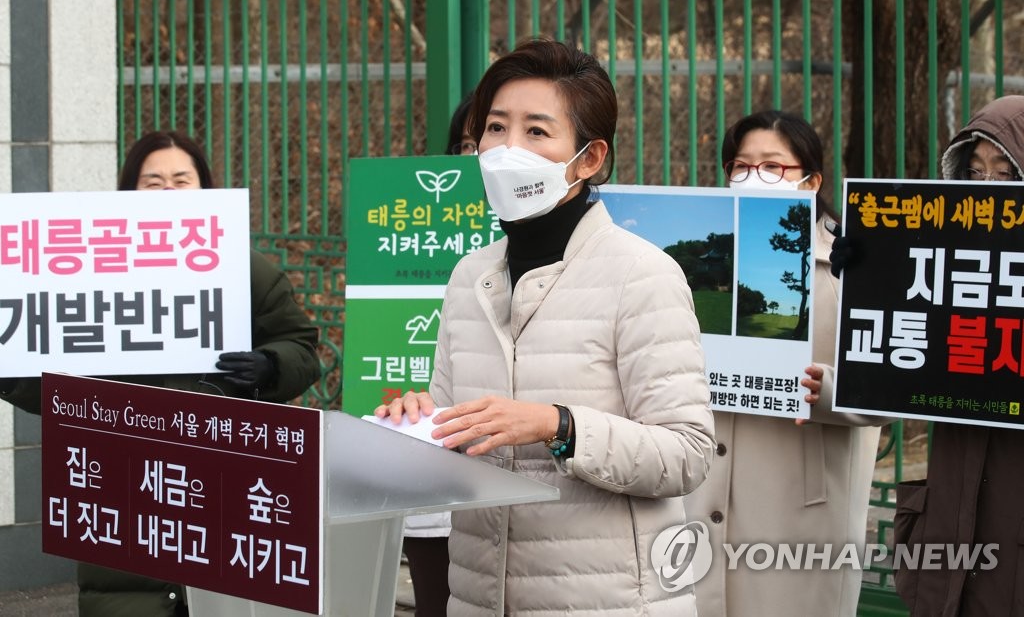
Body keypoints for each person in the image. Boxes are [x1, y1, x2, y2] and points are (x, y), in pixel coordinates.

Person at [375, 38, 715, 616]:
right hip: (480, 594)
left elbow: (686, 453)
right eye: (495, 128)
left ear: (588, 159)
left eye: (536, 132)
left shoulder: (642, 274)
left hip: (606, 601)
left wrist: (558, 426)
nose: (508, 149)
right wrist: (420, 421)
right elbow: (458, 425)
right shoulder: (469, 276)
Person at [0, 130, 321, 617]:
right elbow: (44, 379)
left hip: (224, 473)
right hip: (121, 482)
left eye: (181, 180)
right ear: (128, 194)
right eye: (152, 183)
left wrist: (269, 365)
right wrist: (11, 366)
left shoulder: (247, 270)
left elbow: (302, 347)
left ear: (206, 190)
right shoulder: (82, 270)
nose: (168, 192)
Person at [682, 109, 891, 617]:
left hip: (800, 503)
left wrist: (829, 391)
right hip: (699, 489)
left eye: (774, 166)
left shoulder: (854, 263)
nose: (754, 176)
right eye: (741, 164)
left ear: (812, 180)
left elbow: (893, 386)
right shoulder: (692, 265)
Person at [877, 95, 1024, 616]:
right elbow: (881, 379)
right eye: (976, 171)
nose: (988, 190)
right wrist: (868, 274)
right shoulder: (937, 274)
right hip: (947, 546)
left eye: (1006, 176)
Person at [399, 92, 476, 617]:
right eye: (469, 143)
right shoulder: (413, 232)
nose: (480, 158)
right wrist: (403, 413)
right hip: (434, 501)